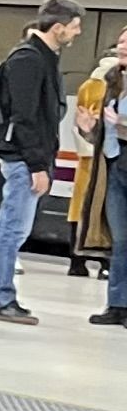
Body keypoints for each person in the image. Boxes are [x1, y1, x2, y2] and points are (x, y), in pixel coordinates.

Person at [0, 0, 83, 328]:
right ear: (58, 27)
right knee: (11, 230)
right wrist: (37, 165)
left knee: (10, 229)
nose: (77, 34)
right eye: (75, 27)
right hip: (23, 161)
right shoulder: (28, 59)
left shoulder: (44, 57)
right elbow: (25, 117)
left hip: (31, 160)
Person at [83, 28, 126, 329]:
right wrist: (90, 127)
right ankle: (117, 304)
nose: (121, 46)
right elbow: (106, 129)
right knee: (121, 240)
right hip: (114, 166)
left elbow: (120, 124)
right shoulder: (113, 81)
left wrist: (121, 123)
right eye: (122, 41)